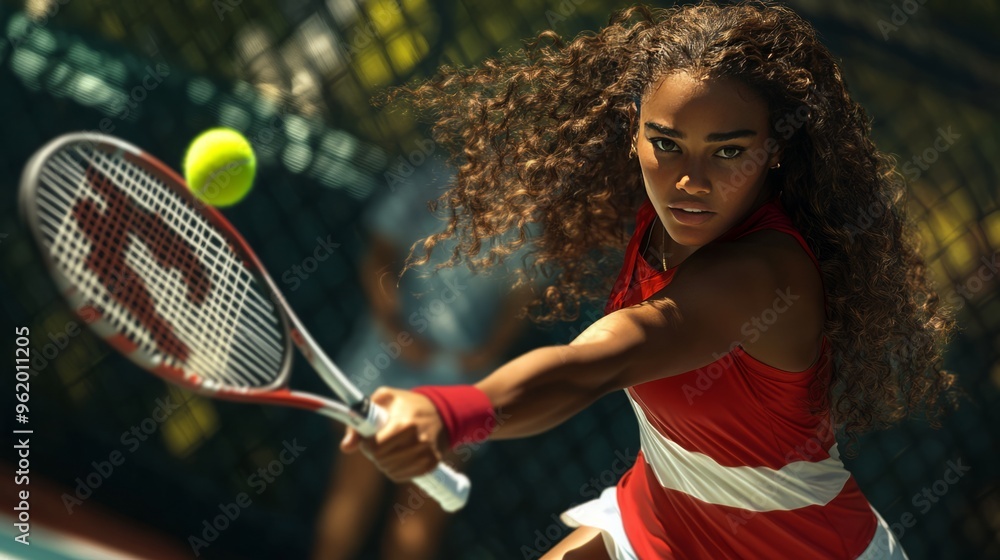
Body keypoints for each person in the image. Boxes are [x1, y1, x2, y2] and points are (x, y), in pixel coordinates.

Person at [341, 2, 958, 558]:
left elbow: (597, 362)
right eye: (666, 142)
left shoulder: (762, 274)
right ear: (633, 129)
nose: (689, 180)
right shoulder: (658, 219)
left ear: (775, 149)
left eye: (727, 150)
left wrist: (453, 412)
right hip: (659, 520)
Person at [312, 156, 535, 560]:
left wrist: (486, 353)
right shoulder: (428, 177)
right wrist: (395, 327)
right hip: (385, 362)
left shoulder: (533, 205)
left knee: (417, 522)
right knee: (353, 492)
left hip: (461, 382)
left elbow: (522, 296)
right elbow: (379, 255)